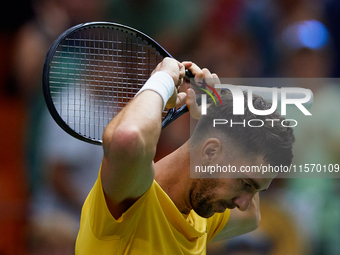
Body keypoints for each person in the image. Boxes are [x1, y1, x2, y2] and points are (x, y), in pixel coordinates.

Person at [75, 58, 295, 254]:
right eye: (246, 184)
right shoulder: (131, 198)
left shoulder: (202, 214)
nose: (244, 205)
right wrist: (163, 79)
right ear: (210, 152)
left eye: (255, 190)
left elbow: (252, 217)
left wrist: (215, 112)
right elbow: (127, 138)